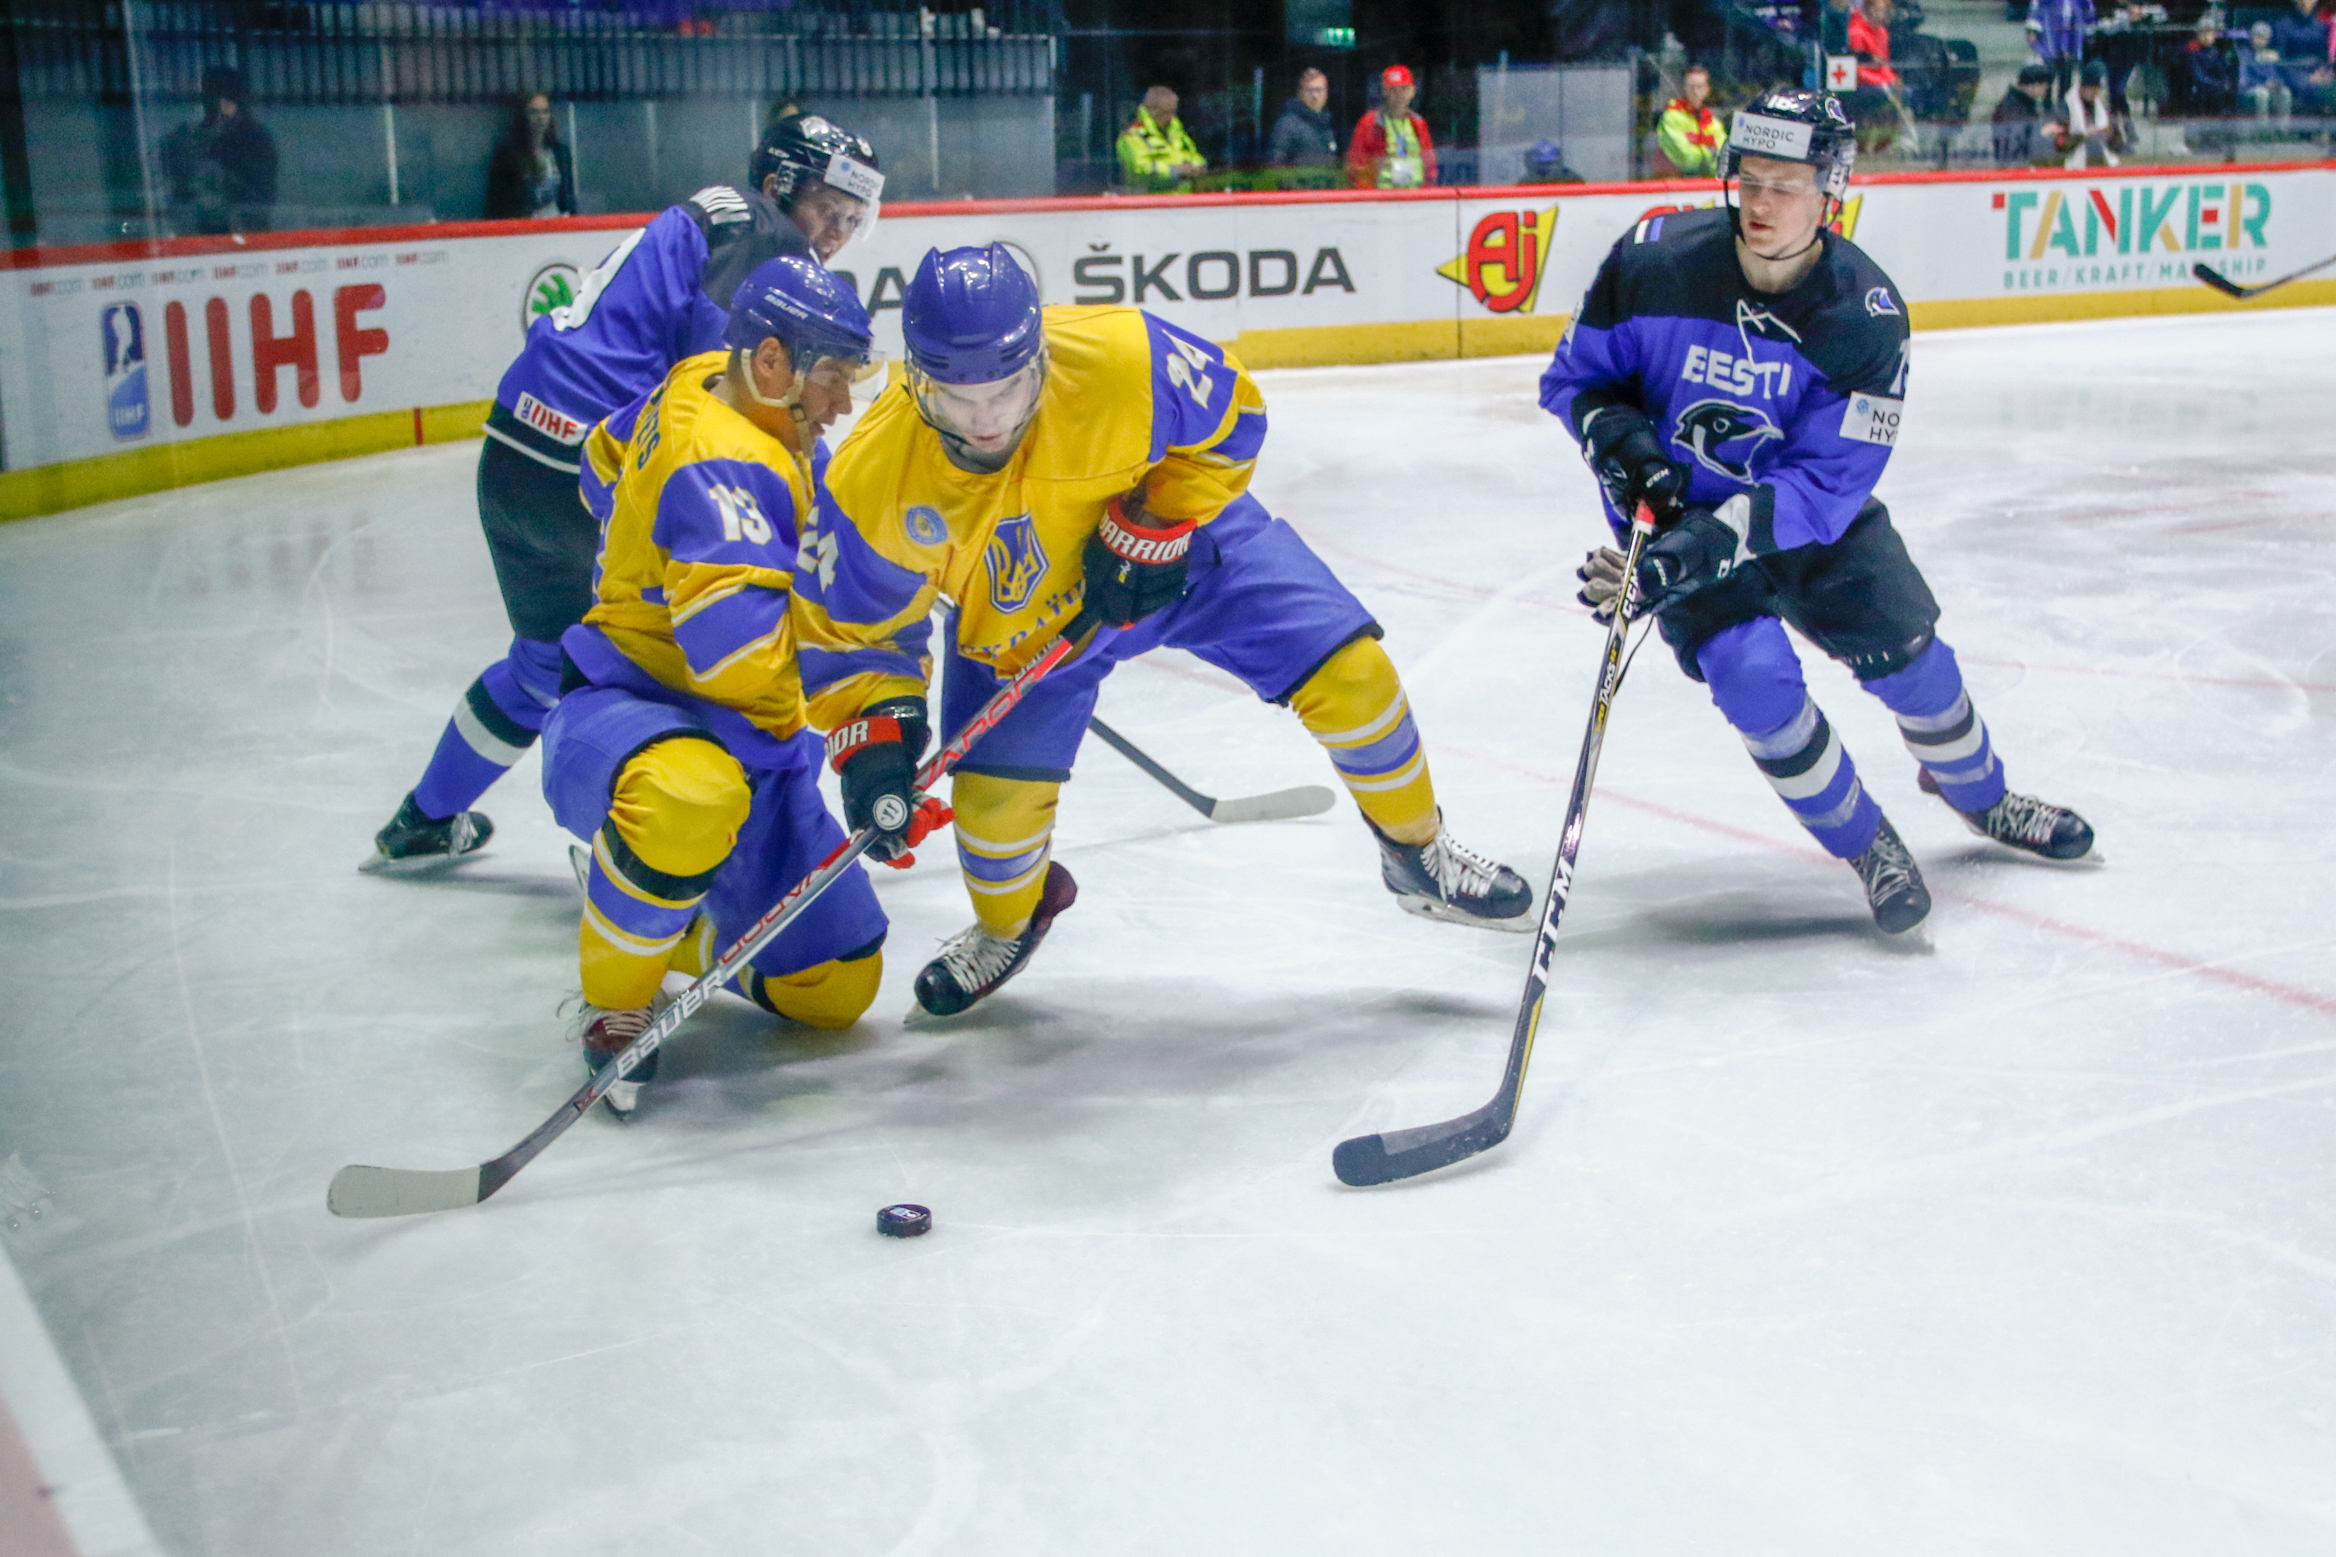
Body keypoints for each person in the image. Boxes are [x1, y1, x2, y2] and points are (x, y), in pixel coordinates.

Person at [795, 244, 1534, 1017]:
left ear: (1040, 358)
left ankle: (1418, 852)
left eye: (1008, 390)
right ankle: (1009, 923)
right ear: (917, 378)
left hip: (1188, 556)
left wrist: (1154, 518)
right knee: (990, 824)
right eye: (955, 397)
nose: (985, 421)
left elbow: (1234, 416)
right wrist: (875, 741)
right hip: (1020, 632)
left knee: (1354, 674)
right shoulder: (872, 476)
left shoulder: (1122, 355)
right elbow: (858, 631)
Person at [1538, 88, 2095, 938]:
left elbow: (1826, 484)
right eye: (1748, 180)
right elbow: (1577, 380)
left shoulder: (1865, 316)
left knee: (1918, 666)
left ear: (1831, 193)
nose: (1760, 204)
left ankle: (1983, 797)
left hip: (1799, 522)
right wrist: (1630, 456)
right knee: (1752, 678)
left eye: (1786, 185)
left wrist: (1699, 548)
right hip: (1675, 511)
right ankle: (1867, 842)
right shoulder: (1652, 258)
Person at [361, 113, 883, 871]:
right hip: (593, 478)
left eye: (850, 220)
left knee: (545, 659)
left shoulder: (719, 215)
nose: (833, 234)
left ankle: (422, 818)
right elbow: (729, 406)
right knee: (722, 651)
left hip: (515, 459)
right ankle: (649, 853)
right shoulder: (768, 242)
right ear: (778, 187)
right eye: (826, 211)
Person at [541, 257, 899, 1113]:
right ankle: (615, 1001)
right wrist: (875, 662)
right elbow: (735, 662)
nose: (842, 403)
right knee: (688, 799)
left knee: (838, 987)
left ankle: (662, 915)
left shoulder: (704, 374)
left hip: (759, 753)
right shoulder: (727, 461)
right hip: (637, 717)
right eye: (831, 378)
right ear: (772, 362)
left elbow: (598, 465)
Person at [158, 66, 277, 236]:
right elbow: (174, 180)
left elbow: (261, 196)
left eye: (214, 100)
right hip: (198, 231)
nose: (212, 109)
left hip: (244, 233)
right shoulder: (188, 136)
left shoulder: (255, 138)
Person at [485, 93, 577, 220]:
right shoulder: (508, 155)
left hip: (557, 225)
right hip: (523, 229)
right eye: (534, 112)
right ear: (524, 116)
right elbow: (500, 202)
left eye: (545, 112)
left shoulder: (561, 152)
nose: (541, 118)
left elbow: (568, 197)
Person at [1347, 65, 1438, 189]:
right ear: (1385, 92)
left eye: (1404, 89)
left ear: (1412, 91)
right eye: (1393, 90)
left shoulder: (1418, 123)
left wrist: (1425, 194)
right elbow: (1357, 167)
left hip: (1416, 200)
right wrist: (1370, 198)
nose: (1399, 95)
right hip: (1382, 201)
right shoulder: (1370, 123)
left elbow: (1430, 167)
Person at [1116, 86, 1207, 191]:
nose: (1172, 117)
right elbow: (1141, 169)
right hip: (1151, 202)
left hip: (1184, 201)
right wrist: (1175, 171)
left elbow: (1195, 156)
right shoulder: (1132, 137)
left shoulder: (1177, 132)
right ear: (1151, 111)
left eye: (1174, 111)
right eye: (1166, 112)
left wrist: (1197, 167)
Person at [2055, 57, 2128, 166]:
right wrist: (2084, 135)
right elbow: (2059, 145)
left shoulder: (2100, 107)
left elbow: (2120, 146)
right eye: (2093, 88)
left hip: (2100, 162)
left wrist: (2111, 134)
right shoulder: (2066, 106)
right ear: (2083, 86)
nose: (2096, 93)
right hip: (2074, 167)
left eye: (2098, 89)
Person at [1657, 64, 1724, 177]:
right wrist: (1710, 155)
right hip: (1678, 183)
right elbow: (1684, 158)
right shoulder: (1671, 117)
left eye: (1700, 86)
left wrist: (1699, 152)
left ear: (1707, 90)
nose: (1695, 91)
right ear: (1684, 88)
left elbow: (1724, 157)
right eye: (1691, 86)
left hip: (1709, 183)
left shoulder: (1713, 122)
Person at [1992, 60, 2063, 164]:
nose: (2046, 88)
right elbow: (2017, 142)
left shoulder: (2021, 104)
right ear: (2032, 85)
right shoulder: (2013, 108)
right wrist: (2043, 132)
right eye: (2043, 84)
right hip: (2015, 168)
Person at [1268, 69, 1340, 170]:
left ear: (1326, 92)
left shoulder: (1329, 124)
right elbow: (1275, 167)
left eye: (1319, 90)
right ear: (1300, 93)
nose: (1315, 96)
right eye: (1309, 90)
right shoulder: (1286, 126)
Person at [2027, 0, 2096, 101]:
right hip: (2050, 35)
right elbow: (2036, 7)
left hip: (2072, 36)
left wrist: (2089, 32)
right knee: (2049, 73)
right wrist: (2032, 29)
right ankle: (2047, 105)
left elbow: (2088, 9)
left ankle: (2063, 106)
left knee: (2067, 76)